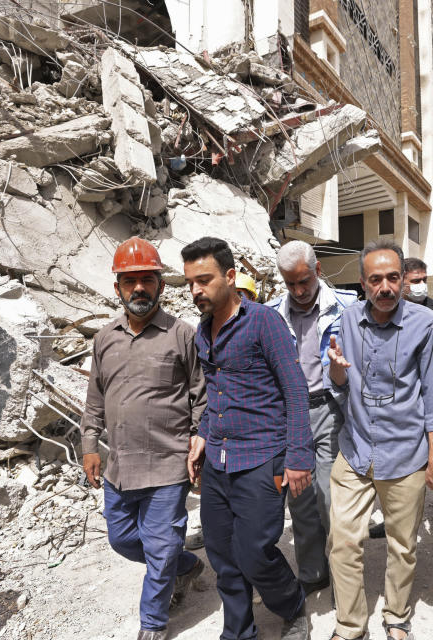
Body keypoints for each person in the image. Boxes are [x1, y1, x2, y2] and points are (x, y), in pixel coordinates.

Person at [181, 237, 313, 640]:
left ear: (231, 276)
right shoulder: (203, 331)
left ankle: (293, 607)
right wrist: (202, 435)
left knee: (255, 553)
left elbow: (295, 390)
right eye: (190, 283)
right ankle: (238, 631)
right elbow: (218, 394)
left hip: (261, 458)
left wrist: (299, 456)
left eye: (204, 280)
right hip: (218, 462)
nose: (195, 291)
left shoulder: (263, 321)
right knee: (223, 557)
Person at [81, 237, 207, 640]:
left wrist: (198, 439)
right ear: (117, 287)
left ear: (160, 286)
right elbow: (95, 397)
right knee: (121, 540)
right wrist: (89, 446)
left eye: (147, 280)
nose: (139, 288)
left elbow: (201, 395)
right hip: (119, 465)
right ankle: (185, 566)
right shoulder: (104, 339)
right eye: (129, 280)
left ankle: (153, 624)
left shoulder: (182, 335)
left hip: (168, 463)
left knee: (161, 544)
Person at [326, 239, 433, 640]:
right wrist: (338, 369)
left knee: (402, 547)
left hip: (405, 452)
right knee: (343, 543)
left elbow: (431, 392)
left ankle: (396, 618)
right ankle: (350, 625)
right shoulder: (346, 321)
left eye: (393, 278)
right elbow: (339, 385)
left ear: (403, 280)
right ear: (362, 283)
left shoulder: (424, 323)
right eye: (375, 280)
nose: (386, 288)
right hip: (355, 450)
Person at [264, 240, 358, 595]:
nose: (299, 291)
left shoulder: (348, 308)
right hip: (291, 414)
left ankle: (343, 581)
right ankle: (312, 572)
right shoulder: (271, 313)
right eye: (291, 284)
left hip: (331, 409)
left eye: (304, 281)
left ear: (318, 270)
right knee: (300, 498)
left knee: (331, 498)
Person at [400, 256, 433, 529]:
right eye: (414, 281)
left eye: (423, 280)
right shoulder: (390, 311)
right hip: (405, 399)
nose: (420, 286)